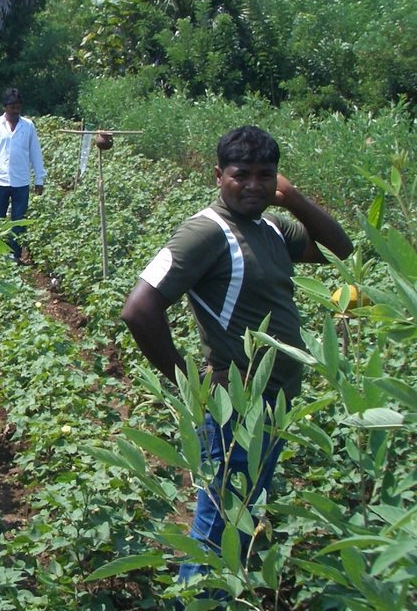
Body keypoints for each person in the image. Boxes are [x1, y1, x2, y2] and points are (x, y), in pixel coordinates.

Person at [120, 125, 353, 595]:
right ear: (218, 176)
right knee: (219, 524)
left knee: (240, 512)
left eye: (265, 176)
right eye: (240, 174)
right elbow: (138, 308)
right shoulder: (206, 232)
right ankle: (199, 601)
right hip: (237, 406)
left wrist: (295, 201)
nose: (253, 185)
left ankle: (221, 594)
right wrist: (191, 380)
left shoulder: (269, 226)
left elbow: (339, 251)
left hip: (274, 402)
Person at [0, 88, 47, 264]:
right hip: (0, 180)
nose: (15, 111)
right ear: (5, 107)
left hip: (21, 182)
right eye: (12, 107)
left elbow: (35, 153)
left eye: (18, 107)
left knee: (18, 221)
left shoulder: (28, 126)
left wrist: (39, 179)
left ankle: (15, 256)